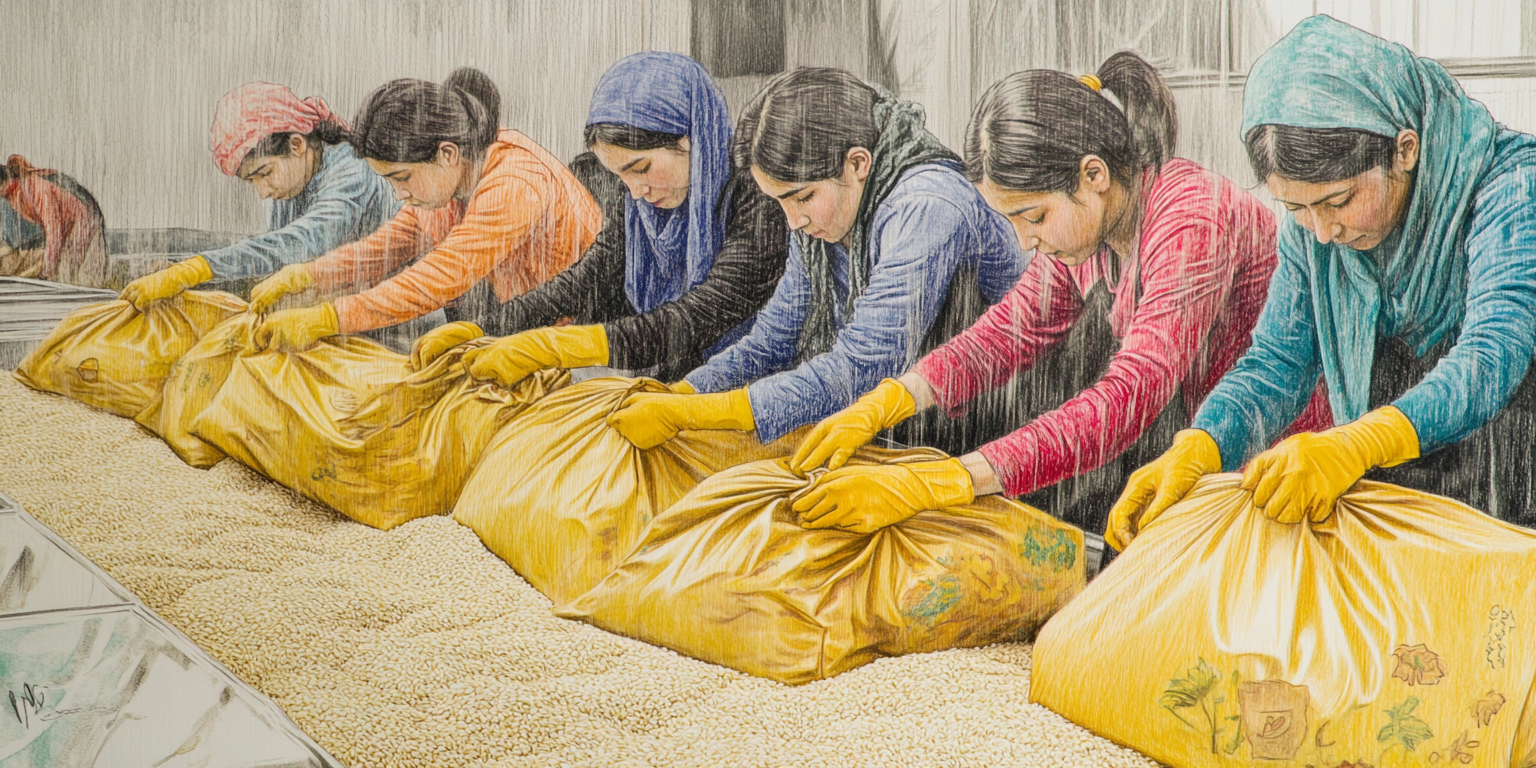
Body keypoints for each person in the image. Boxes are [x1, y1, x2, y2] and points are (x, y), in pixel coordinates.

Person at [787, 52, 1330, 535]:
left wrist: (941, 482)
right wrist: (888, 400)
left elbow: (1128, 398)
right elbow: (1004, 335)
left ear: (1091, 174)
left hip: (1288, 463)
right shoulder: (1091, 228)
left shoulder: (1192, 217)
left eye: (1033, 216)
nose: (1026, 241)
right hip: (1217, 453)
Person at [1106, 15, 1536, 550]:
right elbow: (1276, 365)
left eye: (1339, 201)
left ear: (1405, 149)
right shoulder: (1313, 232)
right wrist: (1201, 443)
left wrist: (1357, 443)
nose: (1324, 230)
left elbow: (1493, 354)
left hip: (1514, 472)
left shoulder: (1513, 187)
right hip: (1409, 488)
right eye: (1296, 208)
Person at [604, 67, 1028, 453]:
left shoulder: (928, 205)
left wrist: (691, 416)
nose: (793, 222)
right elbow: (775, 336)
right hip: (910, 430)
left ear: (857, 163)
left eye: (802, 197)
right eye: (780, 203)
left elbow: (861, 367)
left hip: (999, 430)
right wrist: (686, 392)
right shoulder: (825, 219)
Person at [409, 51, 789, 384]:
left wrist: (561, 346)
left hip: (757, 389)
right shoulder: (643, 204)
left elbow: (697, 315)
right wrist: (484, 329)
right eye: (621, 177)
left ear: (688, 139)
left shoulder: (762, 199)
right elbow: (585, 278)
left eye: (640, 168)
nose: (635, 191)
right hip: (677, 380)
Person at [248, 68, 601, 352]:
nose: (399, 194)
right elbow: (390, 245)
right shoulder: (447, 178)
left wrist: (327, 318)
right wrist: (307, 275)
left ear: (446, 153)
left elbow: (441, 277)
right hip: (522, 327)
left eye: (402, 177)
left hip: (581, 342)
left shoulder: (515, 183)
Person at [119, 82, 398, 309]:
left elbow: (302, 243)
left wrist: (197, 269)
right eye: (253, 181)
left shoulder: (355, 172)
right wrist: (183, 272)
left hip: (398, 324)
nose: (263, 191)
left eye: (264, 173)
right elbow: (276, 261)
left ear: (297, 145)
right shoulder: (294, 182)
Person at [0, 155, 107, 287]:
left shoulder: (36, 188)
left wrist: (46, 271)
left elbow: (53, 230)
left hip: (83, 220)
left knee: (70, 274)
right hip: (66, 224)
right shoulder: (13, 194)